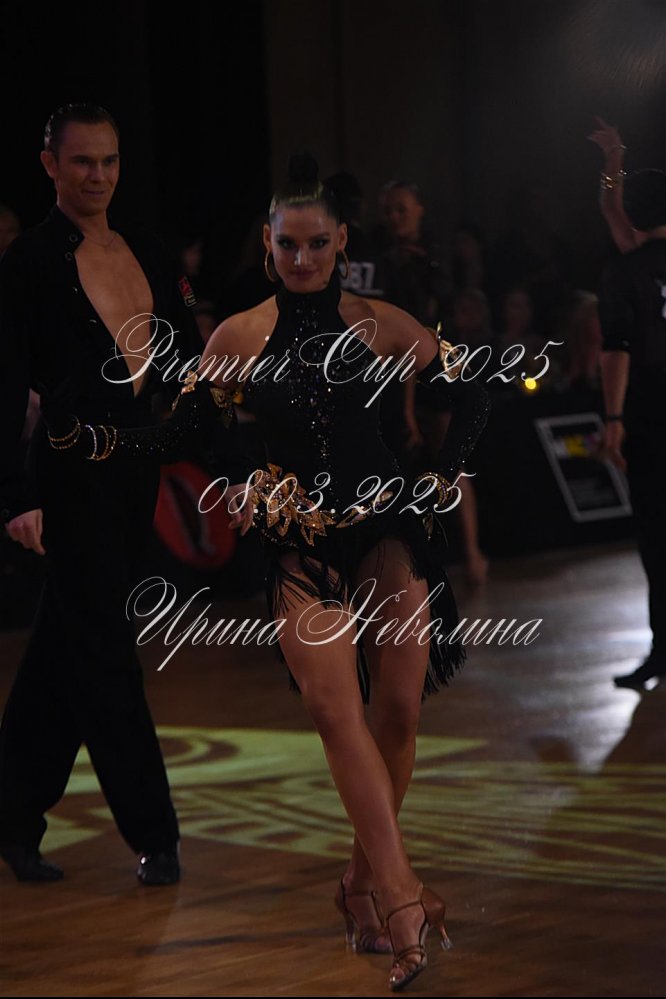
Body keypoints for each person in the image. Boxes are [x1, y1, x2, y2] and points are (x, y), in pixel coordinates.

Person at [49, 154, 490, 990]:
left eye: (318, 243)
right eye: (288, 245)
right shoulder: (241, 334)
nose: (303, 258)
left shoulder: (380, 322)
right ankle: (400, 898)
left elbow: (474, 395)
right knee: (333, 710)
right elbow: (182, 433)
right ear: (267, 244)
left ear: (342, 240)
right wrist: (101, 442)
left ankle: (359, 882)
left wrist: (441, 473)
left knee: (397, 712)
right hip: (297, 545)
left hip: (386, 533)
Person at [0, 103, 205, 884]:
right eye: (82, 161)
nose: (97, 176)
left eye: (109, 161)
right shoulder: (27, 264)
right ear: (49, 164)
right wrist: (13, 495)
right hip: (67, 475)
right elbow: (4, 387)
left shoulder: (147, 249)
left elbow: (185, 363)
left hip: (134, 473)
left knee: (67, 647)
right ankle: (156, 832)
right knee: (105, 651)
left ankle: (11, 815)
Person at [598, 168, 666, 691]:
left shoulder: (624, 271)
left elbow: (617, 348)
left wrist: (614, 419)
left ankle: (662, 651)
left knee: (657, 538)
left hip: (649, 414)